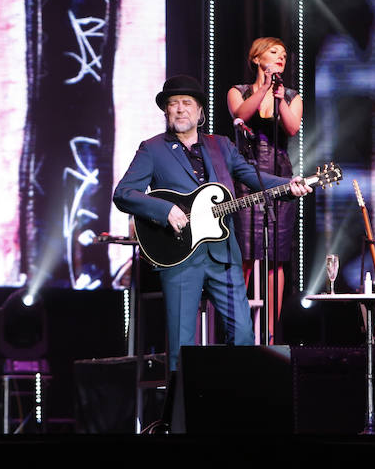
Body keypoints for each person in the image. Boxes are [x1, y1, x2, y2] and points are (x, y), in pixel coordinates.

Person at [113, 74, 311, 373]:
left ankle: (231, 403)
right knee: (182, 344)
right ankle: (180, 417)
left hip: (223, 254)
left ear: (200, 111)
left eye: (186, 103)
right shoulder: (152, 149)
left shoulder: (222, 146)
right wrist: (164, 209)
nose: (180, 109)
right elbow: (123, 193)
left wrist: (289, 184)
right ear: (166, 112)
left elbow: (254, 179)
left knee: (244, 335)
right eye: (173, 104)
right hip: (179, 256)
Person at [226, 37, 302, 343]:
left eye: (284, 55)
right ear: (257, 59)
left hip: (280, 177)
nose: (281, 58)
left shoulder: (292, 95)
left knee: (278, 256)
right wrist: (265, 88)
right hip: (246, 177)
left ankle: (271, 331)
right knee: (244, 252)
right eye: (274, 53)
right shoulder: (238, 91)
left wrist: (280, 97)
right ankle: (238, 327)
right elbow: (242, 114)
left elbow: (293, 128)